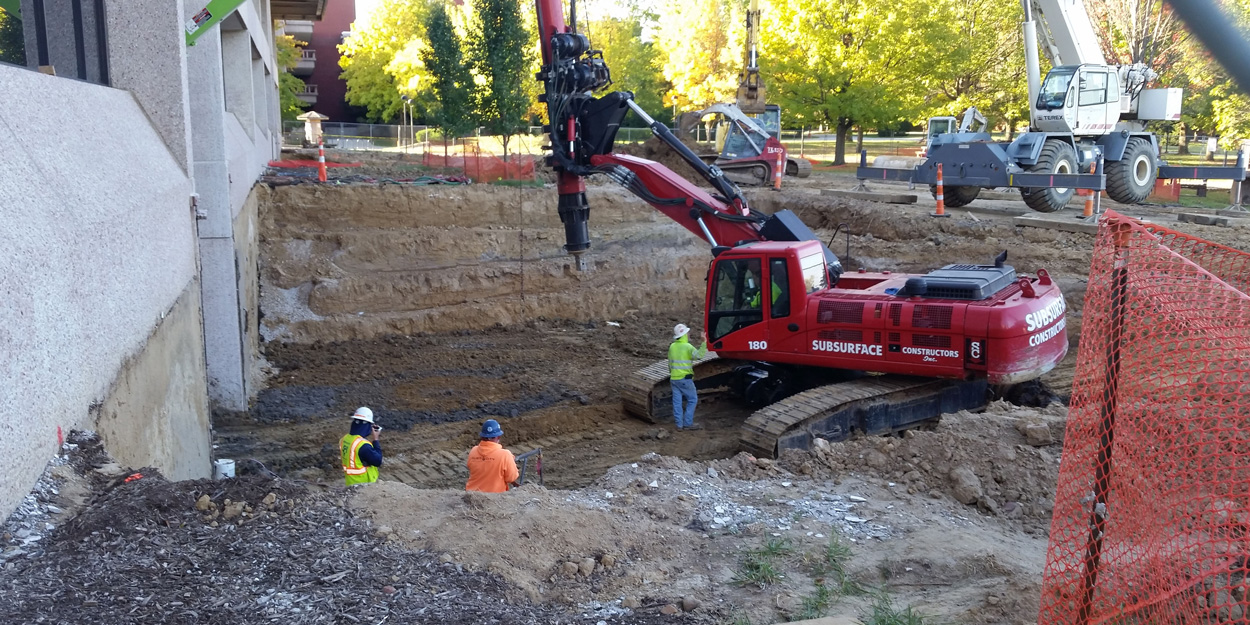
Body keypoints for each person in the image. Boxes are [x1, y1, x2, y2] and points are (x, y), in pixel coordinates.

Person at [669, 323, 708, 431]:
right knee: (692, 399)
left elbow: (670, 363)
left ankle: (679, 425)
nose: (689, 334)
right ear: (684, 334)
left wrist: (672, 374)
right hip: (685, 379)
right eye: (687, 332)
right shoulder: (687, 346)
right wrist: (704, 342)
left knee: (677, 402)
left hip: (674, 378)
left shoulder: (672, 346)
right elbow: (699, 356)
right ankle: (688, 423)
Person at [465, 419, 520, 493]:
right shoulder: (505, 455)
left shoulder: (473, 451)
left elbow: (470, 466)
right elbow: (511, 478)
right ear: (498, 437)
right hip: (493, 498)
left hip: (471, 496)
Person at [340, 407, 383, 486]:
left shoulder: (344, 439)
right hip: (364, 484)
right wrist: (376, 439)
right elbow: (378, 461)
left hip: (351, 482)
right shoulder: (363, 446)